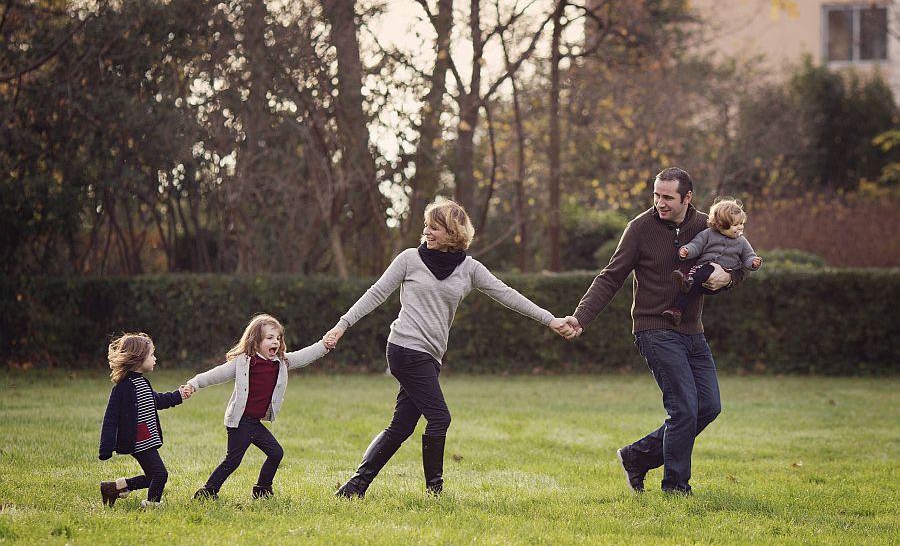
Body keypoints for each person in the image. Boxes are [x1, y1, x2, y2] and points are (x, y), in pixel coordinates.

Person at [324, 199, 572, 499]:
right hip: (404, 347)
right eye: (426, 226)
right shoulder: (409, 260)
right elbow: (376, 293)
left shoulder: (469, 269)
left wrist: (550, 319)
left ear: (453, 232)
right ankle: (435, 492)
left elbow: (507, 294)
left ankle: (355, 487)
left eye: (435, 228)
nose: (427, 231)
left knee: (402, 426)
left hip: (430, 355)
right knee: (440, 417)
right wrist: (342, 324)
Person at [563, 167, 746, 495]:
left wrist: (729, 277)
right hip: (653, 327)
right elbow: (611, 277)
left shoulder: (709, 224)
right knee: (684, 408)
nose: (659, 202)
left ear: (687, 198)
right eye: (656, 195)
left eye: (667, 197)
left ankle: (637, 457)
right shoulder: (640, 229)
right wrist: (580, 317)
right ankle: (676, 487)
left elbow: (740, 261)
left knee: (708, 407)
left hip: (692, 330)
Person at [186, 314, 329, 500]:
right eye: (270, 338)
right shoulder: (244, 362)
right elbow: (217, 374)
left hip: (253, 423)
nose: (275, 342)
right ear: (256, 340)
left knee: (276, 453)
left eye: (278, 338)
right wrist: (194, 384)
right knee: (233, 461)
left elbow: (304, 356)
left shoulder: (281, 362)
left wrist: (324, 344)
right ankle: (207, 492)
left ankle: (262, 489)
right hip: (240, 422)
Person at [99, 332, 192, 507]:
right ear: (138, 358)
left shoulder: (142, 382)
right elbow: (110, 418)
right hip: (138, 441)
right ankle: (152, 504)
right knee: (160, 474)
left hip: (146, 439)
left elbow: (157, 400)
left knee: (153, 476)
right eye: (151, 355)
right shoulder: (123, 388)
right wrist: (106, 447)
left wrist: (179, 395)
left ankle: (114, 487)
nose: (155, 358)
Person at [662, 197, 762, 326]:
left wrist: (753, 262)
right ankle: (676, 311)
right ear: (721, 225)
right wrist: (687, 250)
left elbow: (748, 256)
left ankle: (688, 281)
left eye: (741, 223)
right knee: (690, 291)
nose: (740, 227)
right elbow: (696, 245)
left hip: (717, 280)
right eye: (736, 225)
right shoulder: (708, 234)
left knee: (698, 278)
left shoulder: (742, 241)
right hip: (702, 272)